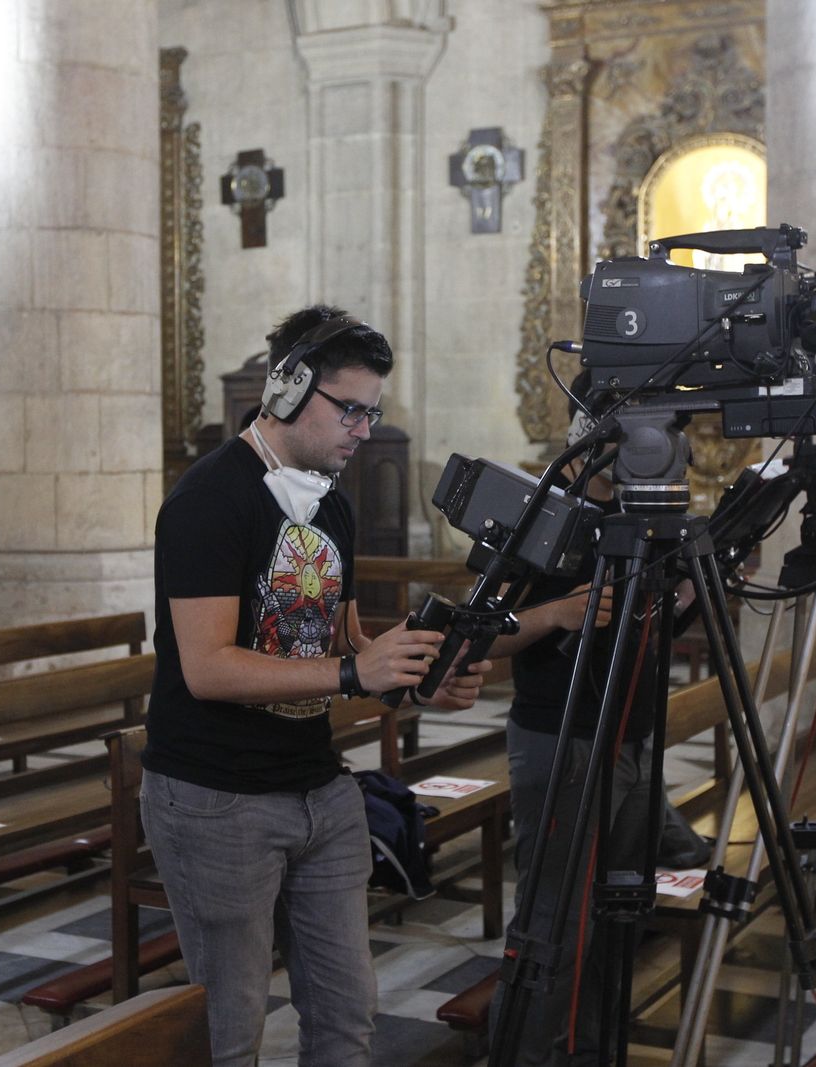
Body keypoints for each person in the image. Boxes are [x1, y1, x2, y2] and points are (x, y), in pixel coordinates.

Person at [140, 304, 489, 1067]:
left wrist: (415, 678)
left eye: (374, 412)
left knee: (346, 1016)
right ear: (290, 388)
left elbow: (342, 639)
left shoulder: (329, 500)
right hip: (216, 796)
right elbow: (205, 666)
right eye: (351, 409)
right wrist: (350, 671)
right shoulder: (208, 500)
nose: (363, 430)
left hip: (317, 788)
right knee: (229, 1033)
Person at [485, 400, 711, 1066]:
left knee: (619, 920)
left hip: (632, 741)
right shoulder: (543, 514)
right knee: (554, 924)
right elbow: (481, 639)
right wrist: (556, 611)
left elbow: (645, 630)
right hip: (563, 744)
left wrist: (691, 596)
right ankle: (524, 1055)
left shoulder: (647, 518)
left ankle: (591, 1051)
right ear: (593, 443)